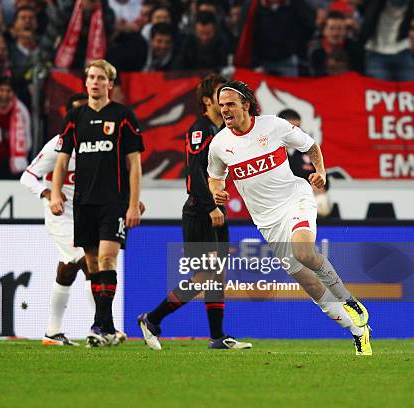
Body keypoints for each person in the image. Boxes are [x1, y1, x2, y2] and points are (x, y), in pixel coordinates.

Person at [207, 81, 371, 356]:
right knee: (309, 284)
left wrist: (321, 172)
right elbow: (215, 177)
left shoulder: (273, 125)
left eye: (230, 104)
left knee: (304, 252)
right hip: (267, 222)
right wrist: (216, 192)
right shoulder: (220, 144)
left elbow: (310, 145)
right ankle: (357, 331)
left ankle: (348, 300)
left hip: (295, 198)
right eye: (221, 105)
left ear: (246, 104)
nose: (225, 110)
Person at [138, 74, 253, 351]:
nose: (224, 102)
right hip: (200, 211)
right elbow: (193, 174)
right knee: (205, 274)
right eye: (219, 95)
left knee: (217, 274)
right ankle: (152, 319)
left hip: (216, 210)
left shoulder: (223, 133)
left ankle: (217, 337)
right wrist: (211, 205)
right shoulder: (200, 129)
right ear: (206, 101)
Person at [50, 59, 144, 347]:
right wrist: (55, 193)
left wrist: (133, 203)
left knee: (106, 259)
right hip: (83, 202)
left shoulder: (123, 116)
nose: (94, 82)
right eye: (90, 77)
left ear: (110, 84)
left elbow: (135, 164)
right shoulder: (74, 118)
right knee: (92, 264)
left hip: (113, 201)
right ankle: (108, 327)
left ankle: (98, 326)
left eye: (100, 78)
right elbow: (62, 161)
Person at [20, 94, 90, 346]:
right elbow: (28, 177)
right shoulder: (56, 146)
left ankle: (52, 331)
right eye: (79, 112)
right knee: (89, 262)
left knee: (67, 269)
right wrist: (50, 193)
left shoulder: (99, 145)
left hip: (86, 215)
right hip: (60, 216)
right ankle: (102, 326)